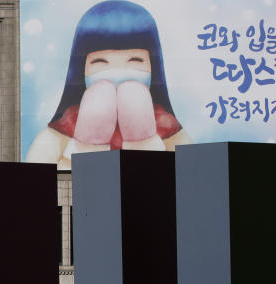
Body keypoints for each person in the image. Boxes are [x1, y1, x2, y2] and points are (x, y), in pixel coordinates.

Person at [25, 0, 192, 168]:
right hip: (84, 187)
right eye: (100, 61)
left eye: (135, 60)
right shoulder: (70, 121)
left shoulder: (161, 120)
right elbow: (38, 165)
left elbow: (192, 167)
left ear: (153, 66)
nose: (118, 72)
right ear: (81, 69)